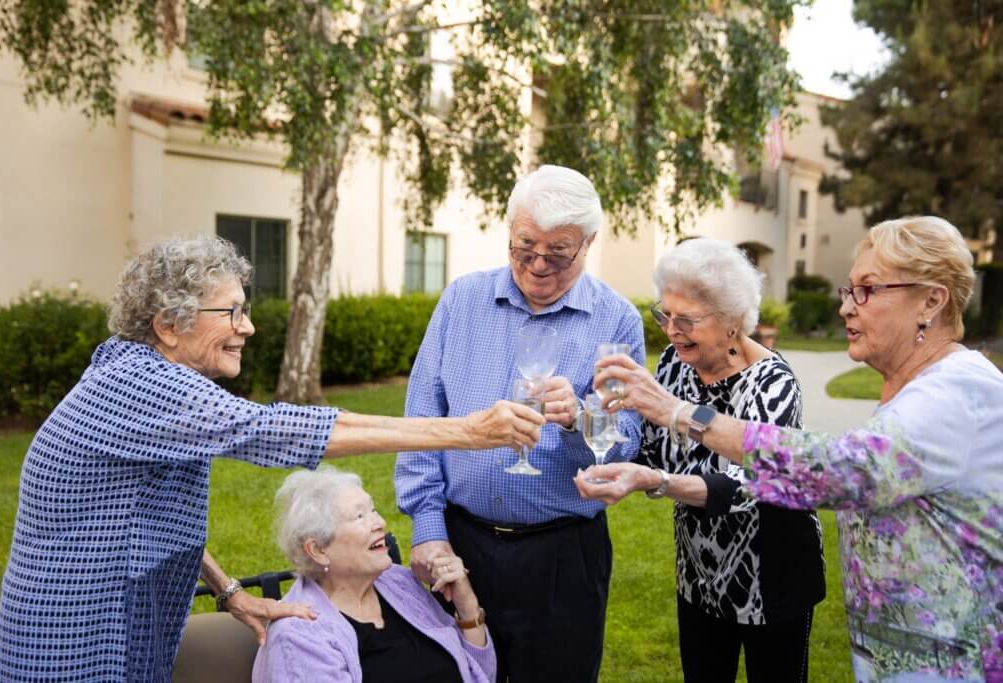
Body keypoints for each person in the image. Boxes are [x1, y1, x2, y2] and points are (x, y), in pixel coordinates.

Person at [0, 236, 543, 683]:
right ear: (168, 325)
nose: (246, 327)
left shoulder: (138, 372)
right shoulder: (141, 385)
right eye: (230, 312)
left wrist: (228, 592)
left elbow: (133, 509)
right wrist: (468, 432)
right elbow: (279, 430)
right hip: (73, 642)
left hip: (129, 625)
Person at [580, 217, 1003, 683]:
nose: (846, 307)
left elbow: (834, 470)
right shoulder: (918, 391)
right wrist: (583, 416)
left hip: (956, 663)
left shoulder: (955, 396)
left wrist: (680, 416)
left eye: (867, 289)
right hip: (896, 658)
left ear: (932, 300)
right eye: (848, 290)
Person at [395, 164, 645, 682]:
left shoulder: (616, 320)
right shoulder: (461, 301)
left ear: (589, 242)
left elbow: (622, 445)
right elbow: (421, 423)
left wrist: (580, 418)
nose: (536, 265)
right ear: (509, 231)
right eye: (524, 246)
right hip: (460, 545)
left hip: (562, 559)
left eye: (558, 253)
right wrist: (427, 529)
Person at [579, 238, 824, 682]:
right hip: (699, 571)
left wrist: (653, 481)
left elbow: (739, 488)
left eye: (686, 319)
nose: (671, 330)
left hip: (771, 575)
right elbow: (651, 446)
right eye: (664, 314)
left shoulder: (772, 384)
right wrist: (580, 418)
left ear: (731, 324)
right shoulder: (676, 362)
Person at [253, 467, 494, 683]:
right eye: (360, 516)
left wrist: (467, 607)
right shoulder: (299, 637)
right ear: (318, 550)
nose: (380, 523)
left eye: (374, 510)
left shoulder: (400, 584)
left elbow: (479, 674)